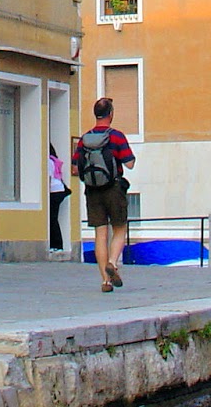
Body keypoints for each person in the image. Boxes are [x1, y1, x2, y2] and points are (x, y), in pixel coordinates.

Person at [71, 97, 135, 293]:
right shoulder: (116, 136)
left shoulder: (84, 138)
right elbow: (130, 163)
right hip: (113, 188)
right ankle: (112, 263)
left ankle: (105, 281)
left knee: (100, 233)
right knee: (119, 228)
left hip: (92, 190)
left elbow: (75, 168)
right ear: (111, 114)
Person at [47, 142, 71, 252]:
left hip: (53, 191)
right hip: (59, 190)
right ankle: (56, 245)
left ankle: (57, 245)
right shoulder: (53, 160)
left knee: (52, 218)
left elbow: (48, 178)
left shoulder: (48, 161)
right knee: (53, 218)